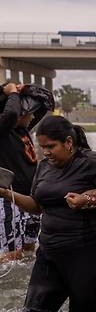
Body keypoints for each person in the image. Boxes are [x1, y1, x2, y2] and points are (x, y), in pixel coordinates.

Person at [0, 116, 96, 312]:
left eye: (51, 146)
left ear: (68, 142)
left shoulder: (94, 163)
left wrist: (88, 199)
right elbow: (37, 206)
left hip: (89, 251)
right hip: (49, 252)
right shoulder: (44, 166)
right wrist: (6, 194)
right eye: (42, 146)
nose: (45, 152)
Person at [0, 82, 41, 261]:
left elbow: (41, 111)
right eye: (29, 112)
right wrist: (12, 93)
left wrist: (24, 91)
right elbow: (10, 114)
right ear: (20, 112)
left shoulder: (22, 129)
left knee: (29, 249)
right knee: (12, 254)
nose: (32, 117)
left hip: (29, 199)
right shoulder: (3, 130)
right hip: (8, 199)